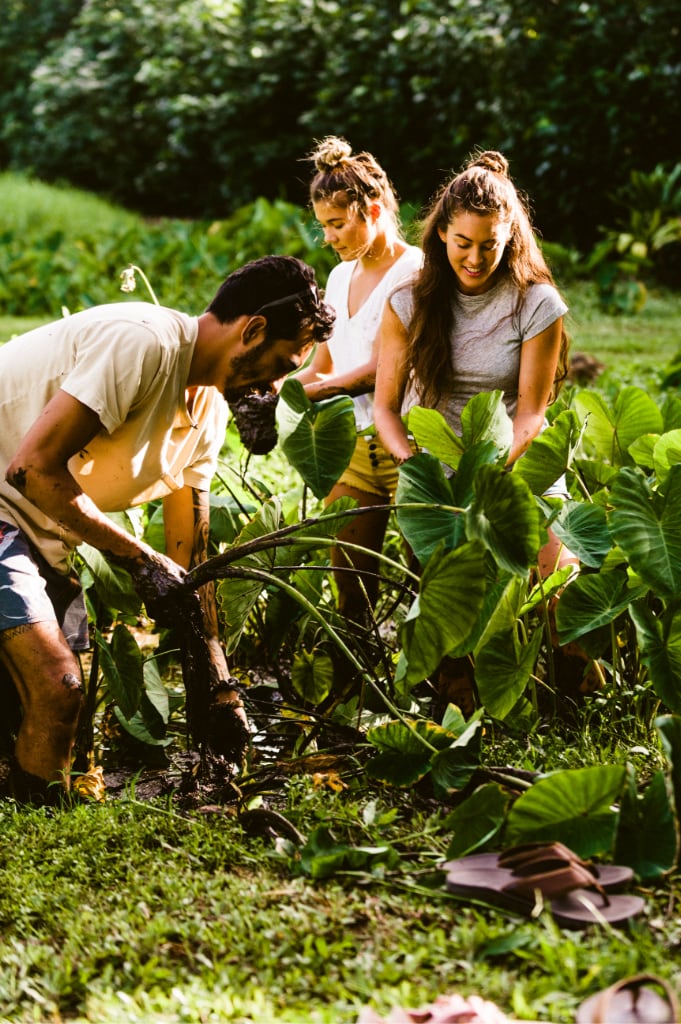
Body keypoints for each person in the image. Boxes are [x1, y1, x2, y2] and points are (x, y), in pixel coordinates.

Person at [0, 255, 335, 802]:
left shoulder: (209, 415)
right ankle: (43, 833)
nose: (272, 388)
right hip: (7, 507)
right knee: (57, 686)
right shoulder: (145, 343)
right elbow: (32, 470)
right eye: (278, 366)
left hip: (37, 531)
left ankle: (35, 810)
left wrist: (220, 685)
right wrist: (138, 558)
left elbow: (188, 564)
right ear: (251, 330)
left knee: (64, 718)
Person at [374, 150, 579, 712]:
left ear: (510, 236)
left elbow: (532, 413)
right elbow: (386, 409)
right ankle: (456, 693)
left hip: (510, 456)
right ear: (441, 232)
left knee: (557, 581)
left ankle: (572, 698)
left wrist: (492, 473)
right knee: (452, 594)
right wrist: (413, 464)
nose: (475, 257)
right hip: (433, 466)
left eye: (490, 244)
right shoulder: (408, 301)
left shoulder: (536, 303)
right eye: (463, 242)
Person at [294, 137, 423, 626]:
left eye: (336, 224)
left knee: (425, 582)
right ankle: (357, 689)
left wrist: (306, 393)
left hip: (408, 443)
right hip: (350, 444)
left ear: (371, 210)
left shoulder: (414, 272)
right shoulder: (339, 276)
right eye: (323, 225)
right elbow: (321, 364)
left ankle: (438, 693)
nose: (328, 237)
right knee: (349, 582)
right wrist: (276, 388)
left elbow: (380, 370)